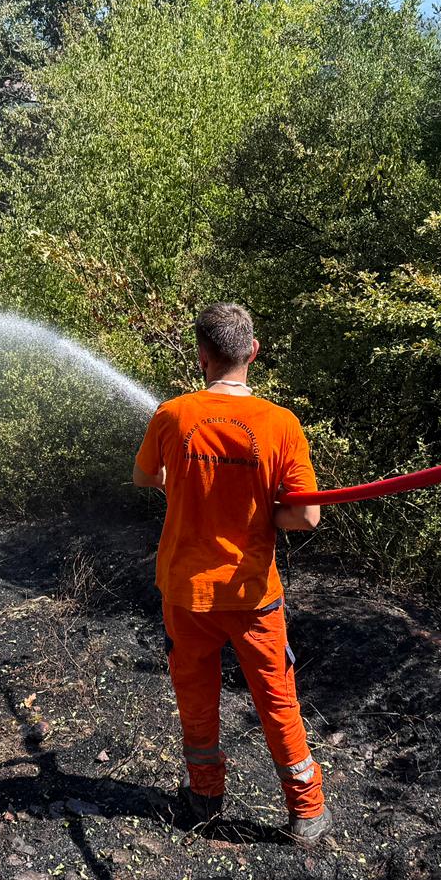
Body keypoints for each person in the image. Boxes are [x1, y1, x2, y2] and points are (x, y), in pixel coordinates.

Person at [132, 302, 331, 844]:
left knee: (196, 697)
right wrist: (260, 507)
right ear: (253, 352)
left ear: (202, 354)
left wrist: (187, 481)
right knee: (275, 699)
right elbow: (306, 515)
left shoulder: (171, 415)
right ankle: (307, 811)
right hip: (252, 595)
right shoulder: (281, 423)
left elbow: (145, 476)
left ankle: (204, 797)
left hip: (185, 592)